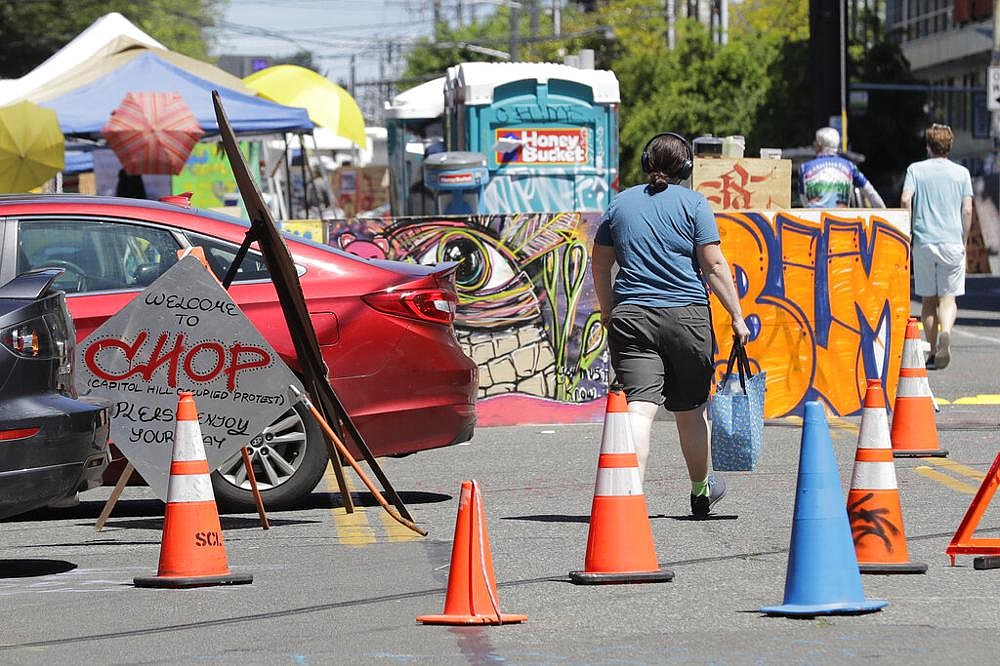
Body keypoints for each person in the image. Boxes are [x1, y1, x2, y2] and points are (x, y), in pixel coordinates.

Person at [591, 131, 751, 517]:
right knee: (691, 411)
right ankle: (700, 491)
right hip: (687, 318)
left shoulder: (619, 204)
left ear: (647, 163)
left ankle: (626, 501)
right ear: (687, 168)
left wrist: (609, 310)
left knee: (639, 409)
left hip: (632, 318)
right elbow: (713, 265)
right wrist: (736, 316)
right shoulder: (694, 204)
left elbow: (600, 264)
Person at [900, 123, 973, 371]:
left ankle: (932, 350)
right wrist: (964, 240)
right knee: (948, 298)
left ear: (928, 145)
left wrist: (908, 230)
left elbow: (905, 199)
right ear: (949, 146)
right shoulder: (962, 173)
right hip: (952, 242)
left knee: (928, 301)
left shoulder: (915, 170)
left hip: (924, 242)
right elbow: (967, 210)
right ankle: (947, 332)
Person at [800, 127, 886, 208]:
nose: (814, 144)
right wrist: (884, 213)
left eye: (815, 141)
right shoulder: (849, 166)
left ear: (819, 144)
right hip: (841, 218)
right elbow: (870, 192)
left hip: (814, 217)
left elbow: (804, 200)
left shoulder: (804, 168)